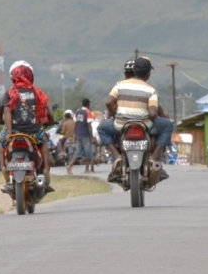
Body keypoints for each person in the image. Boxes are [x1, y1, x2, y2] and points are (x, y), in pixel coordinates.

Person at [97, 57, 172, 185]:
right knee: (168, 126)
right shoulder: (150, 90)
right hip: (144, 125)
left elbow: (108, 101)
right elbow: (154, 113)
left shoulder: (119, 85)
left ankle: (116, 156)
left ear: (132, 70)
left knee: (102, 128)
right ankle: (154, 157)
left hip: (121, 125)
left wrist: (116, 116)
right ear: (148, 73)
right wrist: (145, 116)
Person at [0, 61, 56, 196]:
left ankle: (4, 168)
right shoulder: (37, 92)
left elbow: (5, 112)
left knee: (0, 147)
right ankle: (45, 170)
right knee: (44, 147)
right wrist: (51, 120)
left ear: (13, 77)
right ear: (30, 75)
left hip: (14, 132)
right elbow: (47, 111)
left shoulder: (10, 93)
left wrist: (9, 131)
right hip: (34, 133)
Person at [67, 99, 94, 175]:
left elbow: (75, 125)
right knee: (88, 152)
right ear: (88, 105)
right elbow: (89, 126)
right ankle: (86, 169)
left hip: (78, 134)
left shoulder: (77, 112)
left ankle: (70, 165)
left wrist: (74, 135)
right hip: (85, 135)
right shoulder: (88, 112)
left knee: (78, 151)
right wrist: (92, 137)